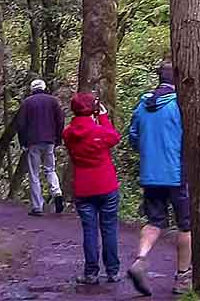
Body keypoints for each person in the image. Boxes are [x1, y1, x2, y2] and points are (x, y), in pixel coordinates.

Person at [126, 63, 192, 297]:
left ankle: (140, 259)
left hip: (150, 173)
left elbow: (133, 137)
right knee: (186, 225)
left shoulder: (143, 105)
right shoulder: (180, 105)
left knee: (154, 221)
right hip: (176, 173)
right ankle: (183, 277)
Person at [61, 91, 122, 286]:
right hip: (106, 185)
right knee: (109, 228)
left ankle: (91, 273)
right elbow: (114, 137)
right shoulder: (100, 132)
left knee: (89, 230)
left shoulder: (68, 134)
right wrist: (103, 117)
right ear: (93, 109)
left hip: (83, 188)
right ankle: (112, 271)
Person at [16, 77, 66, 216]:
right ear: (44, 88)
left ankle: (37, 206)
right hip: (50, 140)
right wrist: (58, 138)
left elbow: (21, 124)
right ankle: (56, 191)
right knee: (50, 169)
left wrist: (23, 142)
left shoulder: (27, 102)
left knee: (34, 174)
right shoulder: (53, 101)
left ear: (32, 89)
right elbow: (60, 120)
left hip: (33, 142)